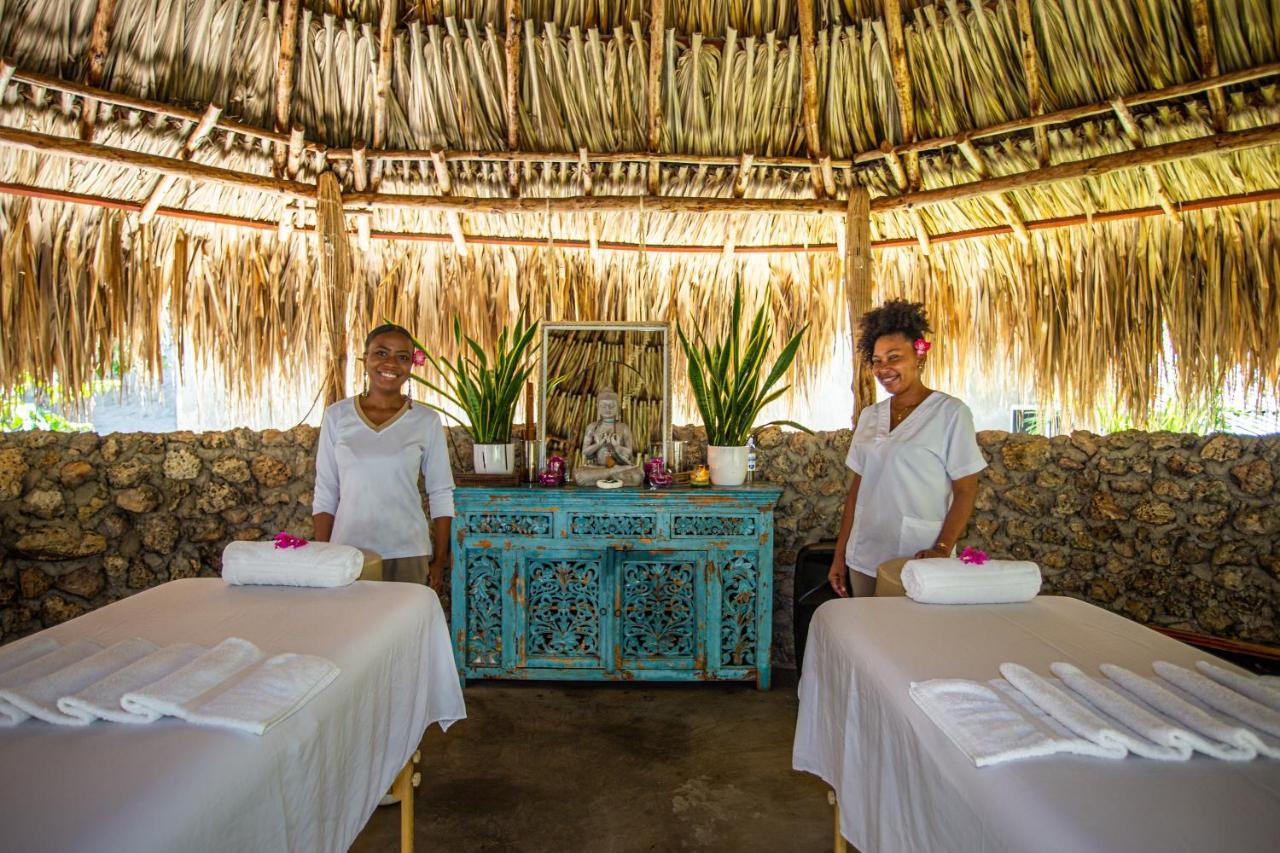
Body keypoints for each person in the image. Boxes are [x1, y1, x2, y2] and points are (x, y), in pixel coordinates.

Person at [828, 301, 987, 598]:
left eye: (894, 357)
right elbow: (857, 492)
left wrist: (941, 548)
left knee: (912, 640)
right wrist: (840, 555)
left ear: (919, 354)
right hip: (863, 555)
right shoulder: (870, 417)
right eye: (876, 360)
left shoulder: (950, 413)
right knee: (867, 638)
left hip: (917, 558)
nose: (883, 368)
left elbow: (966, 490)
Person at [312, 323, 455, 592]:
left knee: (405, 632)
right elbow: (326, 490)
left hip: (408, 553)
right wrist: (322, 553)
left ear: (411, 366)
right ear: (365, 358)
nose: (391, 363)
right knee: (352, 631)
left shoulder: (426, 421)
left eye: (402, 357)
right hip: (348, 553)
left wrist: (439, 560)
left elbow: (441, 492)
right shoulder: (337, 416)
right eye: (381, 353)